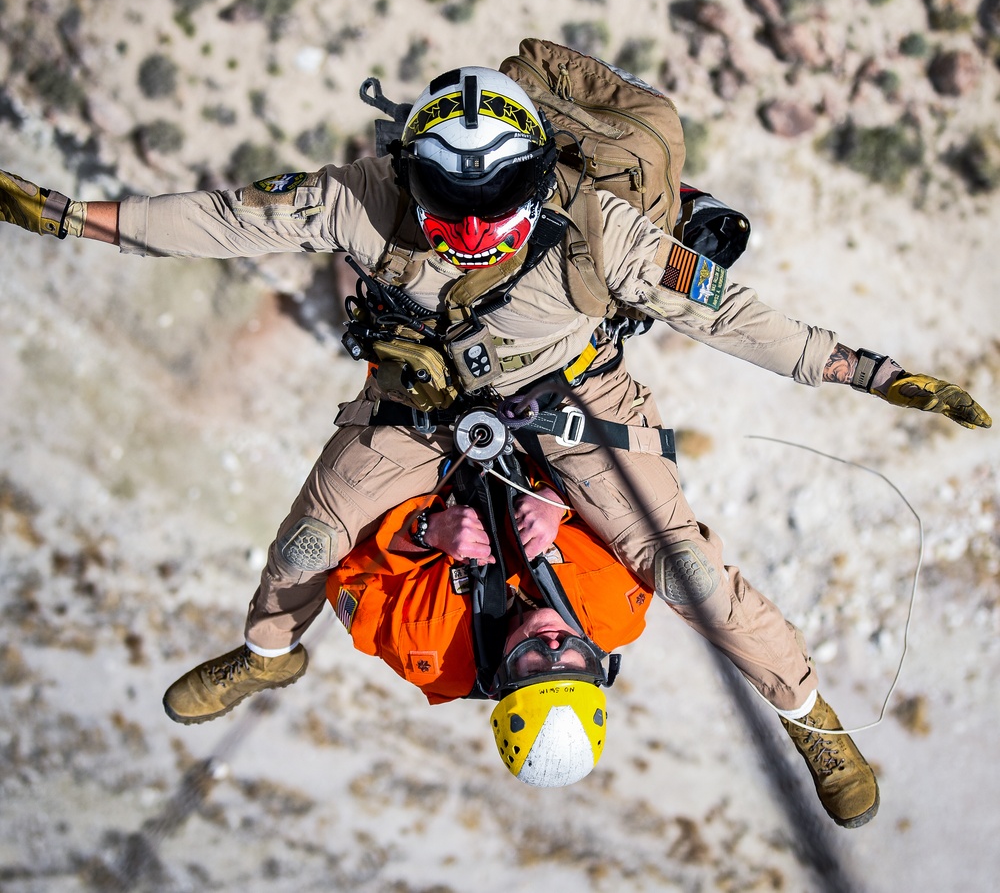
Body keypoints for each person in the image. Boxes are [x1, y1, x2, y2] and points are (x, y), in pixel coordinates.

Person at [0, 59, 989, 829]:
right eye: (449, 207)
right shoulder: (371, 196)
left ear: (499, 684)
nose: (471, 231)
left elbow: (726, 313)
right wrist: (84, 220)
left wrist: (434, 530)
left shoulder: (433, 649)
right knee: (677, 567)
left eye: (527, 661)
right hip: (437, 400)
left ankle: (809, 719)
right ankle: (267, 656)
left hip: (543, 397)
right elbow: (231, 217)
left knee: (313, 544)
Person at [320, 464, 649, 787]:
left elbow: (348, 579)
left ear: (502, 679)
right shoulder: (621, 601)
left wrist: (424, 532)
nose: (554, 647)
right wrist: (557, 498)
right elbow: (636, 494)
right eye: (573, 664)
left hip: (421, 468)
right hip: (536, 436)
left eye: (537, 669)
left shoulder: (427, 653)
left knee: (309, 543)